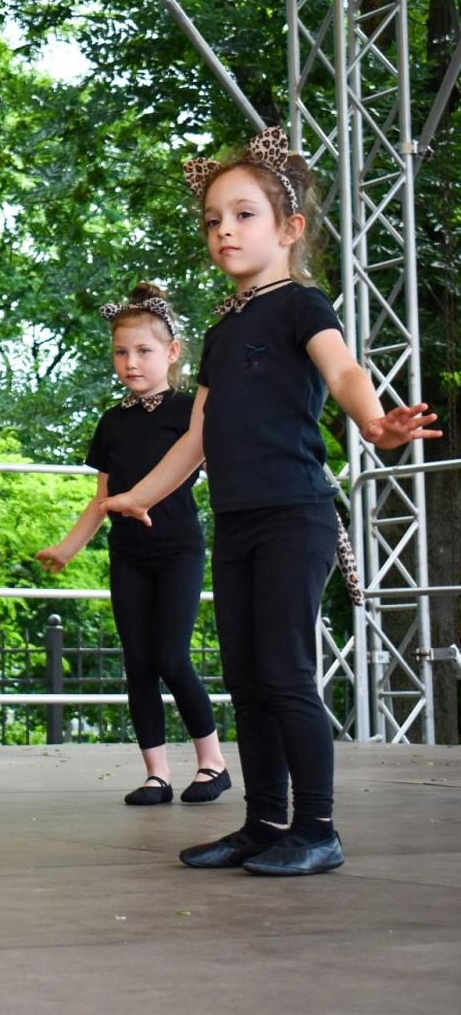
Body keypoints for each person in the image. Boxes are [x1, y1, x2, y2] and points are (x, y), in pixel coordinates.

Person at [103, 127, 439, 876]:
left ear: (289, 228)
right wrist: (137, 495)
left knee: (285, 671)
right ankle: (262, 823)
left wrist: (373, 421)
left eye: (244, 214)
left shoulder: (300, 305)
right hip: (238, 521)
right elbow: (197, 436)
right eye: (214, 219)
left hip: (295, 513)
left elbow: (344, 369)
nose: (225, 229)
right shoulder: (224, 330)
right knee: (247, 677)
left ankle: (317, 828)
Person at [37, 284, 229, 806]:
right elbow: (102, 500)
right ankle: (156, 773)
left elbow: (220, 468)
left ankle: (212, 762)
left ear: (171, 353)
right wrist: (68, 548)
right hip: (128, 556)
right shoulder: (113, 422)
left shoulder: (192, 412)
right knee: (138, 662)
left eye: (143, 351)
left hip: (178, 551)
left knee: (171, 655)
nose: (130, 362)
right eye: (121, 352)